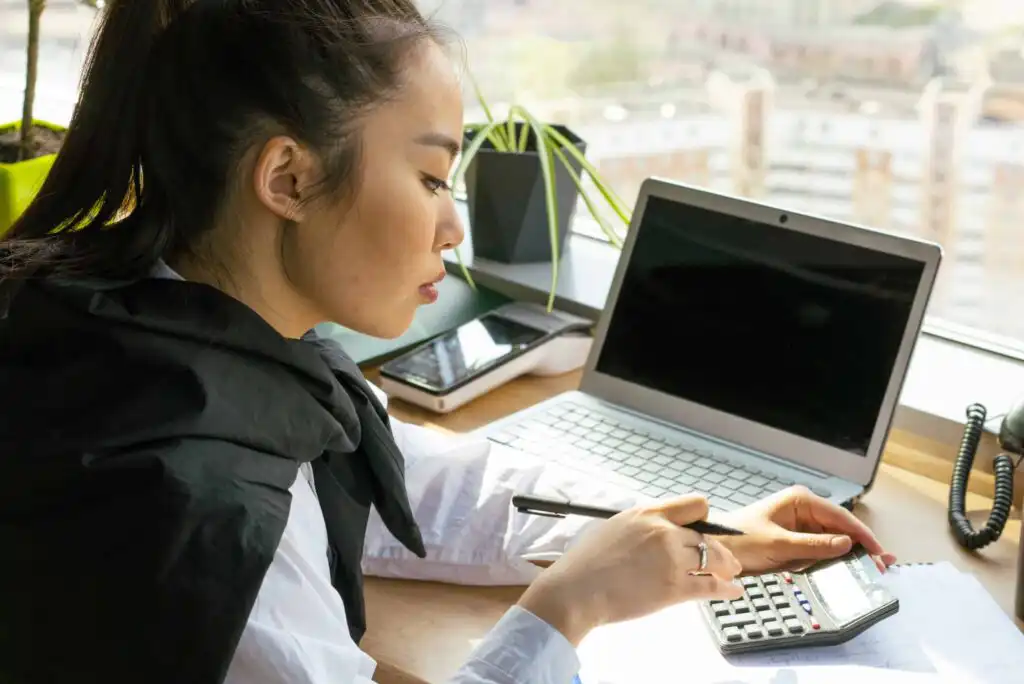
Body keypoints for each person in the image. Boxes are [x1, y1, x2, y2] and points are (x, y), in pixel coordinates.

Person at [0, 1, 897, 682]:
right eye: (432, 177)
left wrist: (710, 523)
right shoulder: (207, 521)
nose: (453, 228)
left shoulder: (141, 317)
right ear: (288, 177)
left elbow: (415, 479)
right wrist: (566, 608)